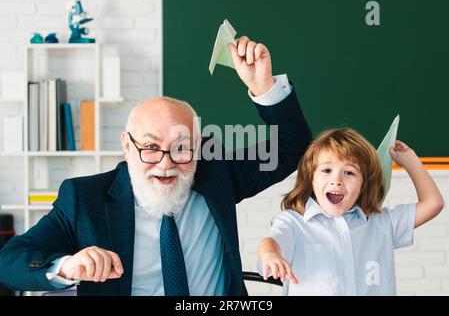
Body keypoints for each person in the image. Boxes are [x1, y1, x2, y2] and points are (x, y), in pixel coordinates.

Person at [0, 36, 312, 296]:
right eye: (150, 147)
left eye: (181, 148)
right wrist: (65, 265)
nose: (166, 163)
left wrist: (264, 86)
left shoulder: (216, 175)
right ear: (127, 145)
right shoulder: (85, 199)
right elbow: (9, 262)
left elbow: (293, 148)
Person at [258, 128, 444, 295]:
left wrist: (411, 163)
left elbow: (433, 203)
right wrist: (270, 255)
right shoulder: (294, 223)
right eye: (327, 170)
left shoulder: (382, 223)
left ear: (364, 184)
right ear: (310, 179)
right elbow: (272, 241)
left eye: (349, 172)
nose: (337, 180)